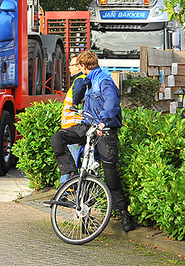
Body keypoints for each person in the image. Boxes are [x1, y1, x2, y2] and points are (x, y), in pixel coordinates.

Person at [50, 50, 134, 232]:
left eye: (78, 66)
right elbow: (80, 103)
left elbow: (112, 103)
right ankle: (70, 173)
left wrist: (102, 121)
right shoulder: (87, 82)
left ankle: (124, 214)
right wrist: (79, 86)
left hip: (104, 131)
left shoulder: (103, 80)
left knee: (109, 174)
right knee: (59, 138)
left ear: (83, 66)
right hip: (87, 127)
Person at [54, 54, 87, 186]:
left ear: (79, 67)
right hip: (75, 127)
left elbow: (77, 96)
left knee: (69, 164)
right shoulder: (81, 80)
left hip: (73, 127)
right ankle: (68, 191)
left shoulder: (80, 80)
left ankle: (63, 193)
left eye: (72, 65)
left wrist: (76, 103)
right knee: (72, 163)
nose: (69, 67)